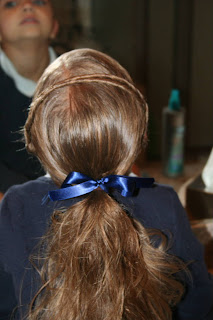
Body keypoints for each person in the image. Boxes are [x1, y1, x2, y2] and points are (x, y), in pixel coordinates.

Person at [0, 49, 213, 320]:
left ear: (36, 139)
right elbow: (198, 301)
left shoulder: (16, 205)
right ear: (139, 132)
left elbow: (6, 305)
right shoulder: (163, 201)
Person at [0, 0, 59, 197]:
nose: (27, 6)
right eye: (10, 4)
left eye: (39, 1)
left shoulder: (85, 78)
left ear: (54, 27)